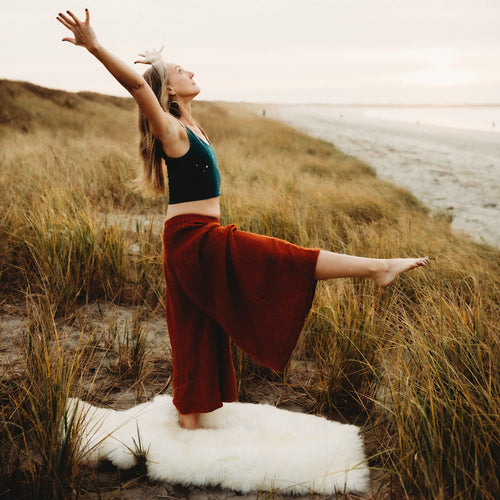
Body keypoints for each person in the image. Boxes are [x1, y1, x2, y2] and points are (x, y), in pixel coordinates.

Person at [57, 9, 429, 430]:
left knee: (196, 329)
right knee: (283, 258)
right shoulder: (172, 130)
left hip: (199, 237)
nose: (191, 71)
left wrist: (161, 64)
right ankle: (378, 267)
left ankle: (192, 422)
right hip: (191, 241)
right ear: (170, 91)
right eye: (182, 70)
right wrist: (96, 47)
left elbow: (150, 81)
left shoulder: (192, 126)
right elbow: (137, 85)